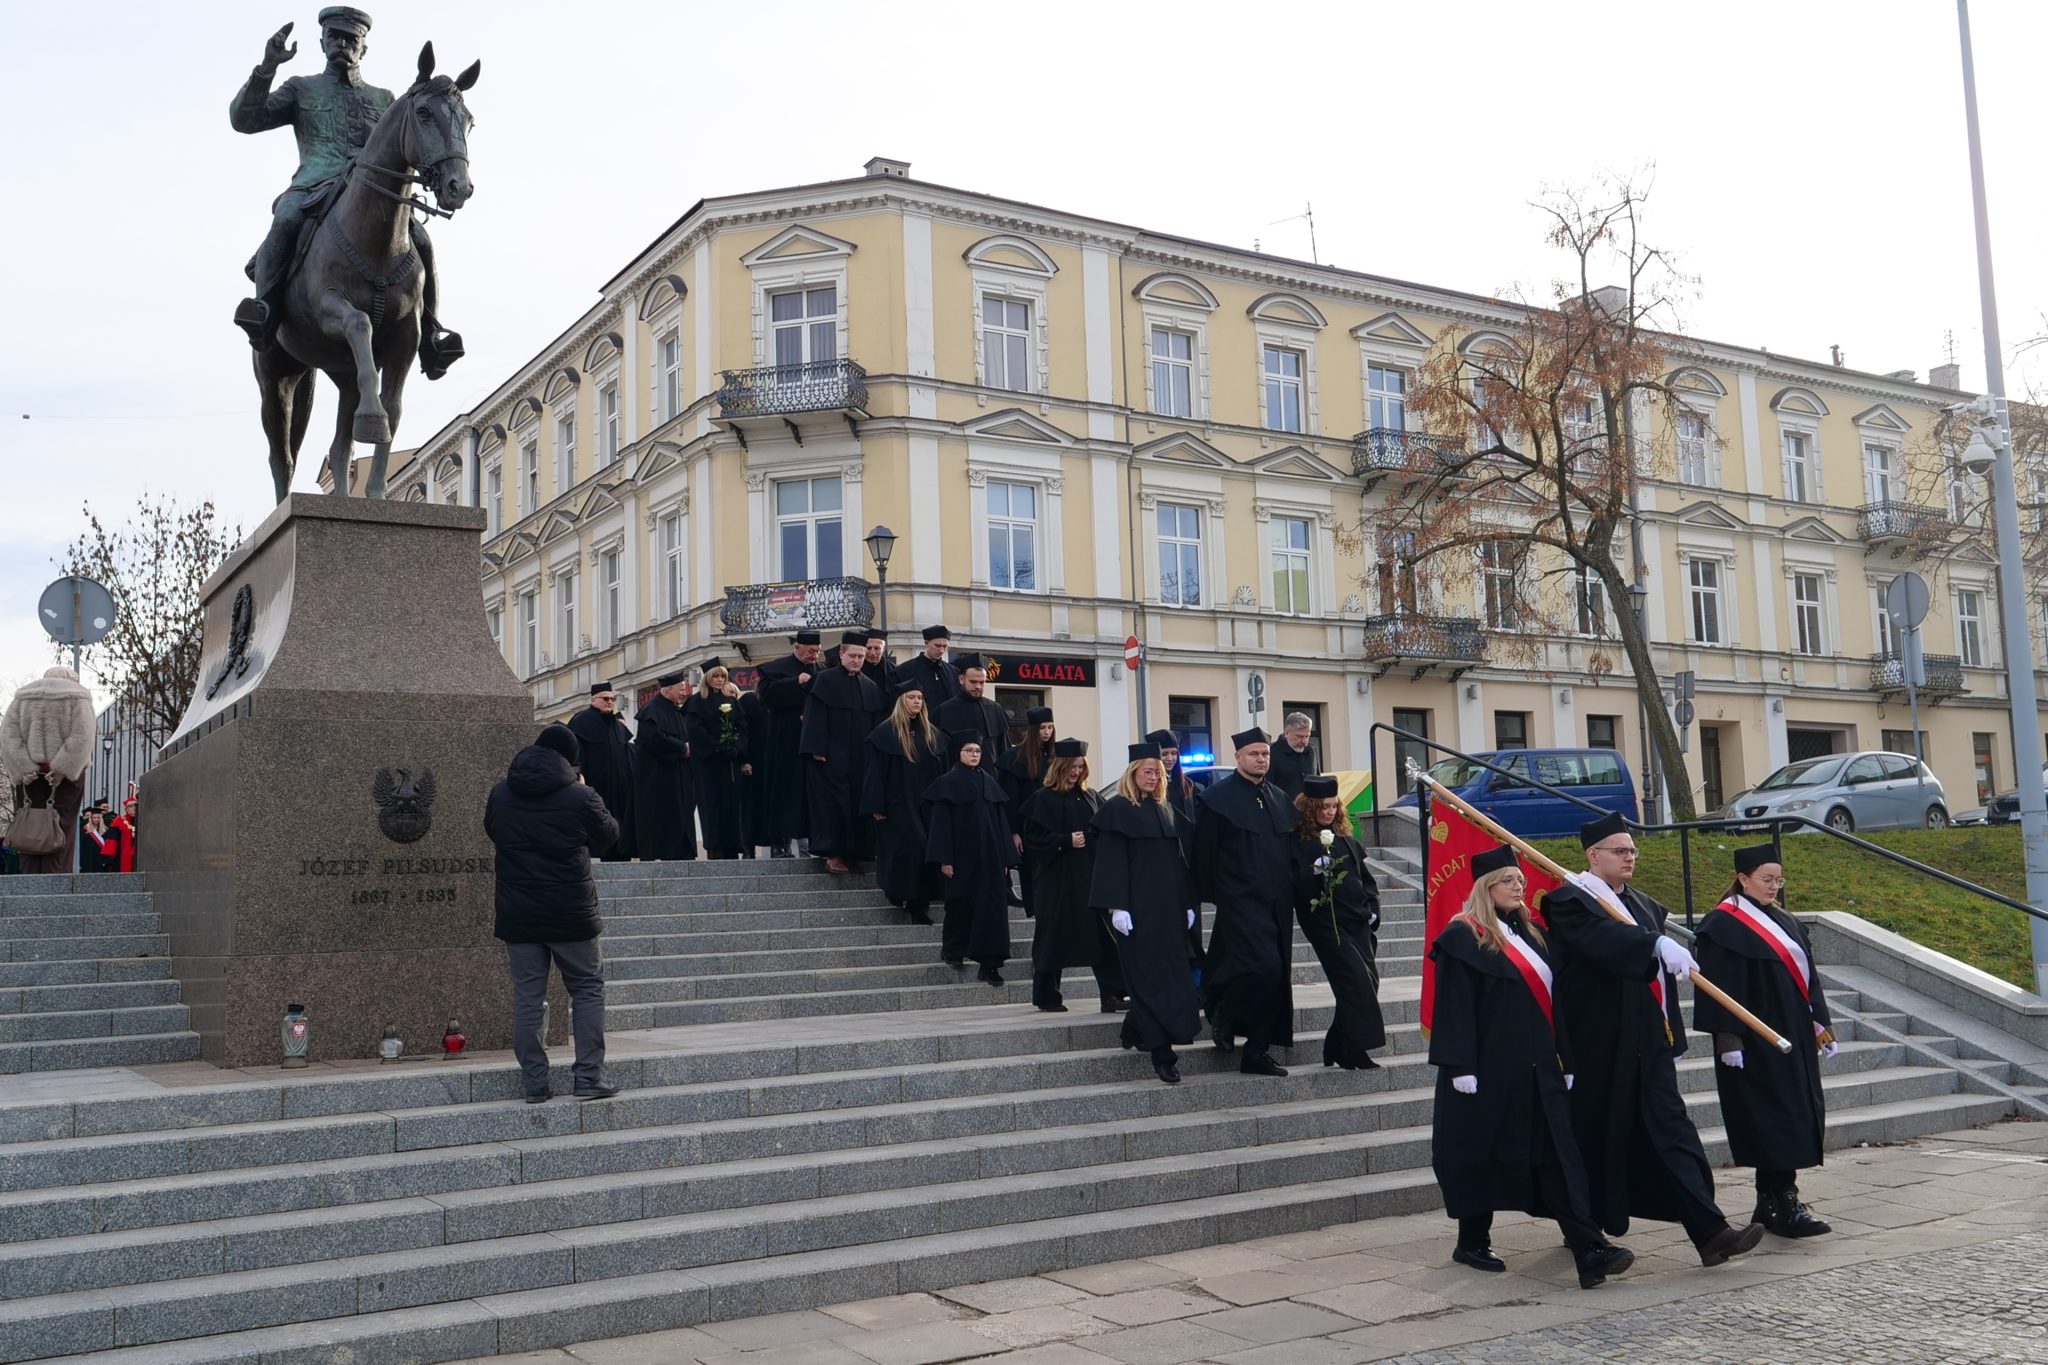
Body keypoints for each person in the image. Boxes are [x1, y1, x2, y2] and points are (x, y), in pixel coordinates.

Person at [1540, 811, 1763, 1267]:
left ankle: (1711, 1233)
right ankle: (1583, 1229)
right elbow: (1601, 941)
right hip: (1598, 1044)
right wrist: (1651, 945)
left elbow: (1659, 982)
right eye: (1620, 850)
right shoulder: (1567, 901)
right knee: (1592, 1135)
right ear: (1593, 855)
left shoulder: (1642, 904)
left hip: (1647, 1043)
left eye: (1633, 850)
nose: (1630, 857)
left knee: (1675, 1133)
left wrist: (1671, 1038)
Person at [1430, 845, 1635, 1290]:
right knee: (1479, 1154)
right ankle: (1472, 1240)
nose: (1518, 886)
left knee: (1558, 1157)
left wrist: (1566, 1056)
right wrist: (1459, 1064)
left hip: (1539, 1067)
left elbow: (1554, 1003)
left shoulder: (1533, 935)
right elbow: (1454, 1007)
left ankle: (1588, 1248)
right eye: (1508, 880)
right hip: (1486, 1070)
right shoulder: (1463, 937)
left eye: (1520, 880)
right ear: (1487, 888)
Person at [228, 8, 459, 375]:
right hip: (313, 186)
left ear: (364, 48)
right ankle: (265, 310)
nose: (341, 44)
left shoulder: (384, 99)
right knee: (285, 219)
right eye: (334, 36)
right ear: (322, 42)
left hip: (374, 199)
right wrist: (267, 68)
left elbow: (408, 147)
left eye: (351, 39)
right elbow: (245, 119)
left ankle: (430, 333)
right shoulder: (302, 88)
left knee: (423, 242)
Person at [1695, 845, 1836, 1240]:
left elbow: (1809, 978)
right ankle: (1781, 1201)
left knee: (1795, 1114)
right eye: (1766, 880)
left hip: (1793, 1035)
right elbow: (1718, 987)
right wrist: (1728, 1040)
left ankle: (1773, 1198)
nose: (1775, 886)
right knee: (1771, 1120)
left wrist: (1821, 1025)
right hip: (1755, 1041)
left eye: (1779, 880)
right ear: (1743, 879)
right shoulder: (1723, 925)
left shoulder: (1785, 921)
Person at [484, 723, 620, 1103]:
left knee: (529, 996)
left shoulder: (501, 793)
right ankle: (588, 1078)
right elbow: (608, 837)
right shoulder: (580, 796)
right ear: (571, 761)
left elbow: (493, 830)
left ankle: (534, 1084)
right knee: (587, 990)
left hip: (519, 914)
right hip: (570, 913)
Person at [1091, 743, 1202, 1084]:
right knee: (1147, 979)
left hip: (1168, 910)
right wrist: (1117, 906)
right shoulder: (1118, 810)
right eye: (1148, 772)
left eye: (1158, 772)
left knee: (1169, 978)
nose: (1154, 777)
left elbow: (1178, 864)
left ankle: (1134, 1029)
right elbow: (1110, 863)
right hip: (1136, 909)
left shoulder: (1165, 809)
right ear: (1133, 773)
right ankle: (1162, 1055)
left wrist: (1187, 903)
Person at [1193, 727, 1297, 1076]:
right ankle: (1243, 1035)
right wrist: (1212, 896)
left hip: (1277, 903)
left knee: (1268, 972)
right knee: (1263, 968)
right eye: (1253, 754)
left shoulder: (1279, 798)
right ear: (1237, 757)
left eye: (1265, 754)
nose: (1261, 759)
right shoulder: (1217, 799)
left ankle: (1235, 1026)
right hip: (1239, 900)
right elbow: (1204, 854)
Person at [1022, 740, 1124, 1013]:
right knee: (1053, 937)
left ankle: (1112, 994)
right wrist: (1063, 841)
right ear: (1059, 767)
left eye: (1080, 767)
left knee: (1103, 937)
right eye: (1071, 767)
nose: (1076, 772)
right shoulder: (1042, 798)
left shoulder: (1090, 795)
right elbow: (1033, 839)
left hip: (1089, 879)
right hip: (1057, 882)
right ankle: (1047, 995)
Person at [1289, 775, 1384, 1069]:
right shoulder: (1298, 842)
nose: (1329, 812)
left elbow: (1366, 881)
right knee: (1355, 982)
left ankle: (1335, 1044)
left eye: (1333, 806)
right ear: (1309, 809)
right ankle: (1355, 1049)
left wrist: (1373, 909)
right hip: (1326, 923)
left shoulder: (1345, 839)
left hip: (1358, 921)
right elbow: (1292, 884)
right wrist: (1313, 873)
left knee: (1369, 981)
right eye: (1322, 807)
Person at [924, 732, 1016, 984]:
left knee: (994, 911)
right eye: (969, 751)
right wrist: (945, 859)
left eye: (977, 751)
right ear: (958, 753)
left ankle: (990, 964)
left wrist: (1006, 860)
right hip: (961, 858)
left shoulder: (989, 781)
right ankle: (953, 950)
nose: (974, 755)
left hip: (991, 859)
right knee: (960, 904)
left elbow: (1000, 823)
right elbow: (941, 825)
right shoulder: (947, 783)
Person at [861, 678, 950, 924]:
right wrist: (876, 805)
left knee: (926, 851)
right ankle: (900, 894)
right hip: (898, 805)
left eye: (920, 698)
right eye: (911, 698)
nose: (916, 702)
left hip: (928, 805)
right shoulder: (885, 734)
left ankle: (918, 905)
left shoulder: (932, 734)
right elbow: (875, 773)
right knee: (908, 852)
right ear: (902, 701)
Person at [801, 632, 885, 874]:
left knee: (858, 806)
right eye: (853, 655)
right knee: (833, 807)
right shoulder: (824, 680)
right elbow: (814, 717)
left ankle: (854, 854)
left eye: (861, 656)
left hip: (860, 760)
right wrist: (817, 748)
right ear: (841, 654)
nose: (858, 660)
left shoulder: (870, 687)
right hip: (830, 759)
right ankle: (833, 854)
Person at [0, 666, 97, 875]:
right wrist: (62, 767)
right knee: (62, 827)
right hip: (65, 777)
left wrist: (24, 767)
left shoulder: (22, 698)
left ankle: (30, 880)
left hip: (30, 777)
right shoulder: (78, 696)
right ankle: (57, 881)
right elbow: (82, 736)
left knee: (29, 825)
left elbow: (8, 736)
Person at [756, 631, 821, 858]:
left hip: (811, 742)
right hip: (784, 741)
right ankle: (778, 842)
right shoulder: (776, 668)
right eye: (811, 651)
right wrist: (794, 683)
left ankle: (812, 843)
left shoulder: (821, 672)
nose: (814, 655)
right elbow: (766, 695)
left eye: (818, 651)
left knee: (810, 793)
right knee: (781, 791)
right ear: (799, 647)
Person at [684, 661, 753, 860]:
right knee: (711, 804)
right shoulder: (696, 702)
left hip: (730, 762)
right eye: (716, 676)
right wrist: (718, 746)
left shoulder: (731, 701)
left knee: (731, 804)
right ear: (707, 678)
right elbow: (696, 731)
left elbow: (742, 728)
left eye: (722, 676)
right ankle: (715, 846)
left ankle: (733, 845)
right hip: (709, 764)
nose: (720, 680)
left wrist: (737, 748)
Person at [631, 672, 697, 861]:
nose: (684, 693)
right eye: (681, 689)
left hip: (679, 774)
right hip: (659, 778)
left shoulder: (674, 709)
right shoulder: (651, 710)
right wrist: (681, 748)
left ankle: (682, 852)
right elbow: (654, 738)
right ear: (668, 689)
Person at [567, 682, 636, 862]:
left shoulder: (617, 725)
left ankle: (620, 850)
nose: (610, 702)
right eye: (605, 699)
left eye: (612, 699)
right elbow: (574, 754)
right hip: (595, 785)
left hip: (620, 789)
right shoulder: (581, 721)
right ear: (593, 700)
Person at [999, 707, 1055, 910]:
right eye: (1042, 728)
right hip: (1026, 826)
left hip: (1051, 826)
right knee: (1032, 874)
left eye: (1050, 727)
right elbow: (1010, 799)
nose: (1047, 732)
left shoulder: (1055, 756)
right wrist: (1013, 832)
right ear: (1033, 730)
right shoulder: (1015, 757)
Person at [934, 659, 1011, 765]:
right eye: (973, 682)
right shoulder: (944, 711)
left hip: (990, 777)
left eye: (982, 682)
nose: (978, 687)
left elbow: (1004, 749)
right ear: (961, 679)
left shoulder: (995, 709)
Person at [897, 624, 961, 711]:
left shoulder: (953, 672)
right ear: (926, 643)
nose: (941, 650)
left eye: (944, 646)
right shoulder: (904, 670)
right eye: (937, 646)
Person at [739, 683, 769, 857]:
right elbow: (743, 733)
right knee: (750, 808)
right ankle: (747, 847)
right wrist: (744, 760)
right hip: (753, 766)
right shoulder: (748, 701)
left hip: (771, 766)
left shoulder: (775, 703)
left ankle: (779, 847)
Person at [1267, 711, 1318, 803]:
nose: (1304, 741)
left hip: (1309, 813)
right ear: (1287, 733)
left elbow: (1317, 780)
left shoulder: (1311, 750)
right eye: (1300, 736)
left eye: (1307, 736)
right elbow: (1267, 788)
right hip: (1282, 811)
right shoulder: (1270, 752)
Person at [112, 796, 138, 873]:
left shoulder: (142, 820)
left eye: (135, 806)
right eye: (130, 806)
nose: (133, 808)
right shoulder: (119, 821)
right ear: (126, 809)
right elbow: (112, 841)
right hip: (122, 855)